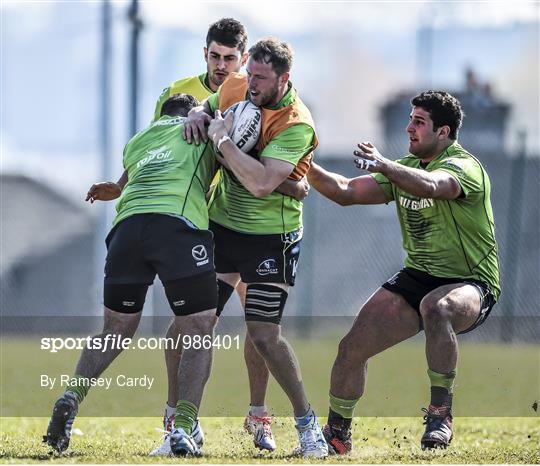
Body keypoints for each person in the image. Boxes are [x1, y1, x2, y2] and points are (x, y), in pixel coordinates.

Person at [306, 90, 500, 453]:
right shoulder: (404, 169)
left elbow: (433, 186)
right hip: (419, 277)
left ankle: (440, 415)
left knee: (437, 307)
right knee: (351, 348)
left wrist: (383, 164)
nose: (409, 127)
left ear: (443, 132)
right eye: (410, 119)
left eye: (419, 122)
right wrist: (302, 162)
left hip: (471, 282)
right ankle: (336, 436)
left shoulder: (464, 166)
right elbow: (345, 190)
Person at [44, 94, 221, 457]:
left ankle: (71, 396)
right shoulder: (200, 127)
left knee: (115, 330)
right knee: (199, 329)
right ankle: (185, 426)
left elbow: (129, 181)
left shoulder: (138, 139)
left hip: (126, 231)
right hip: (176, 225)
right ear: (189, 114)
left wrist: (116, 187)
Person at [184, 37, 328, 458]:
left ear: (285, 79)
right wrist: (198, 113)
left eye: (262, 80)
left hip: (272, 236)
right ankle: (181, 423)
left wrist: (223, 141)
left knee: (264, 335)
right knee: (194, 323)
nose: (252, 86)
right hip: (222, 227)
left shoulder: (296, 121)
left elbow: (263, 184)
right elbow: (208, 109)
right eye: (252, 75)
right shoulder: (236, 87)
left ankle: (305, 423)